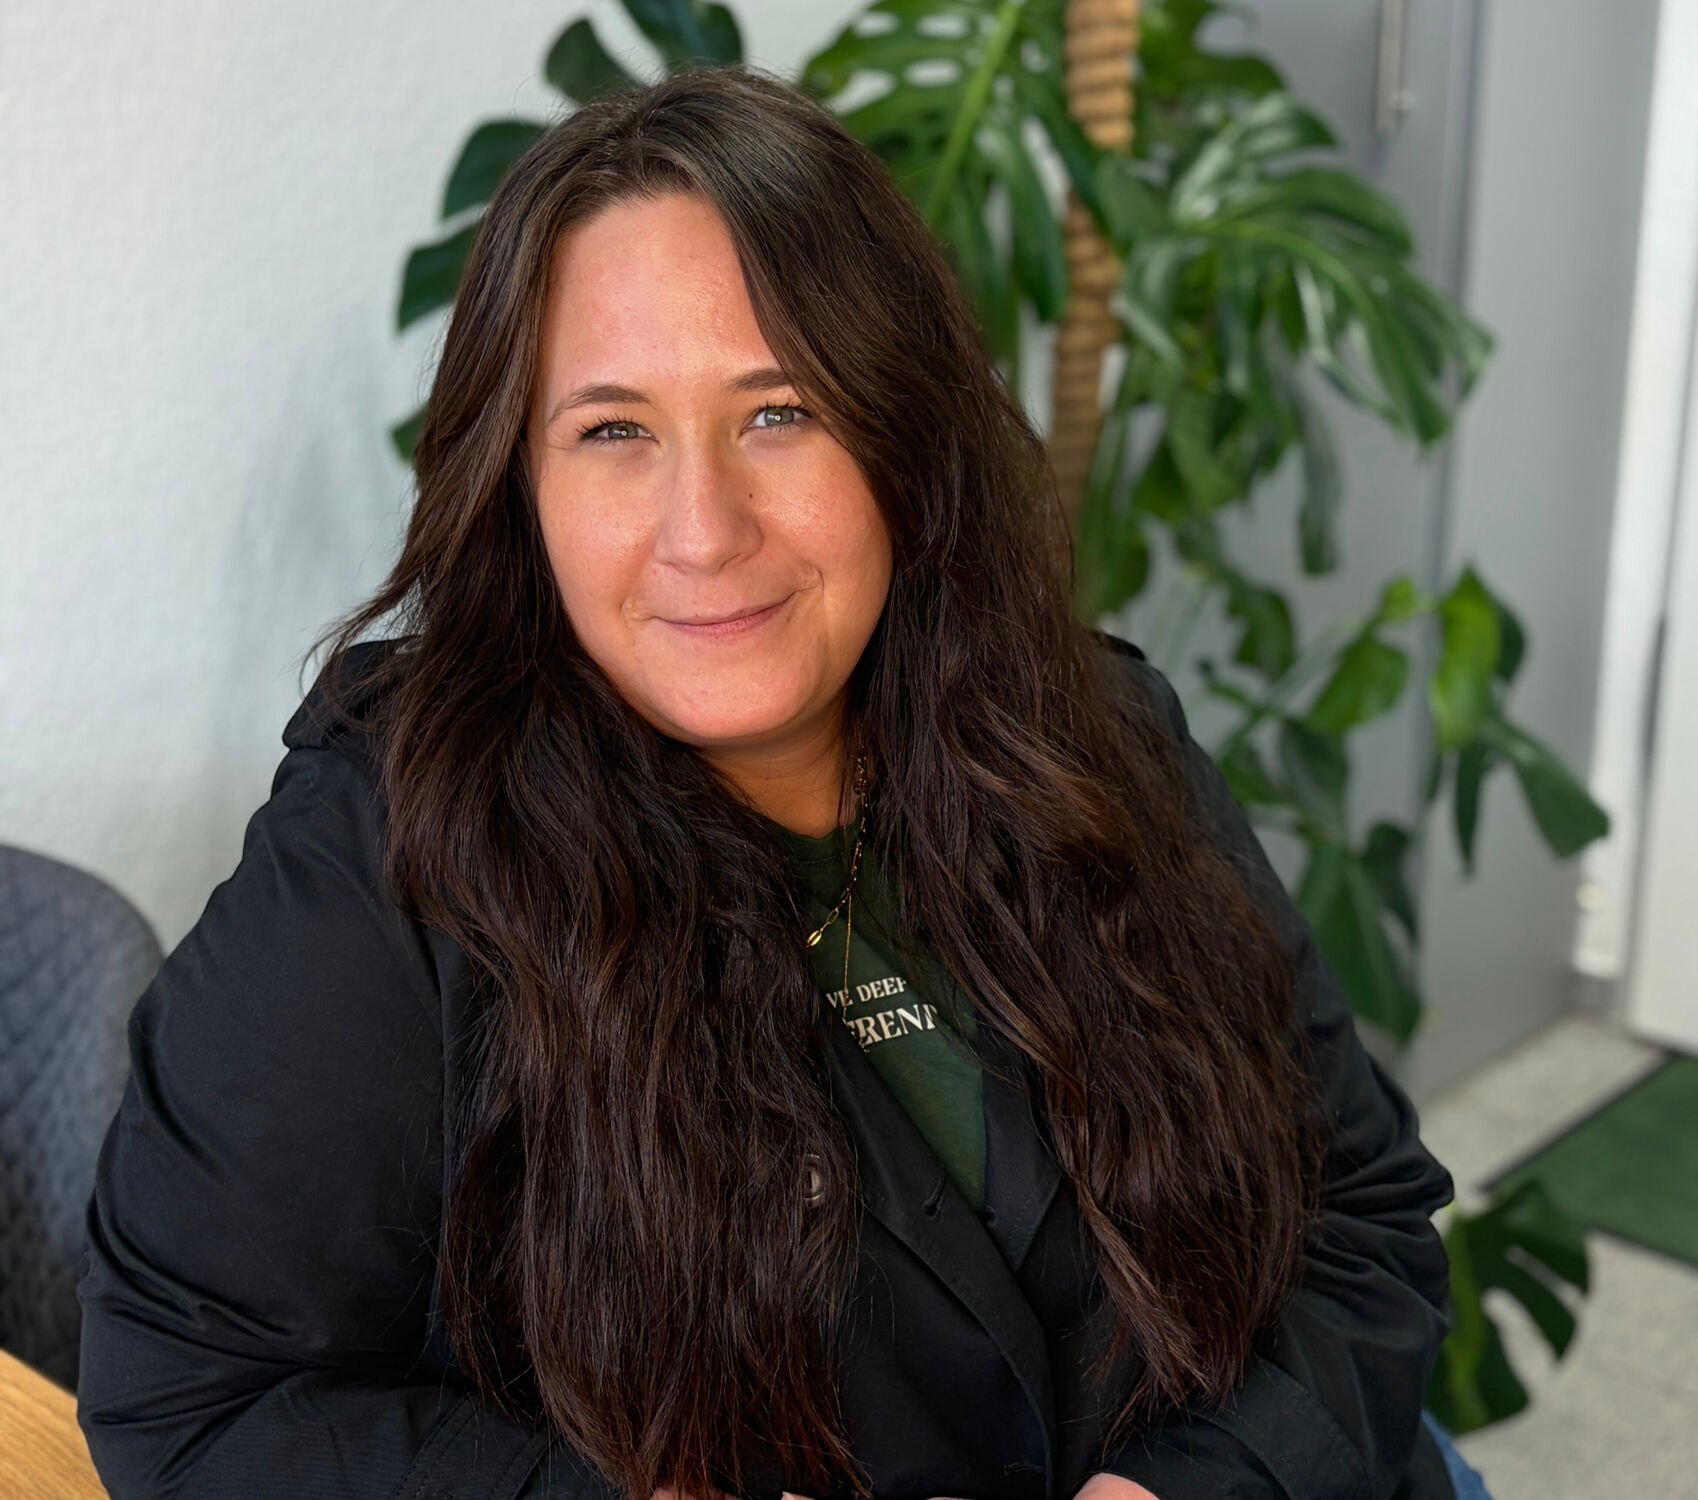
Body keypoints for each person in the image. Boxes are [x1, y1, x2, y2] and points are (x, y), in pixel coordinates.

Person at [77, 64, 1475, 1500]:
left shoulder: (1093, 731)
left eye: (779, 412)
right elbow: (196, 1402)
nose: (704, 529)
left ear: (899, 432)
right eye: (613, 431)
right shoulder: (385, 862)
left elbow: (1355, 1217)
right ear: (517, 482)